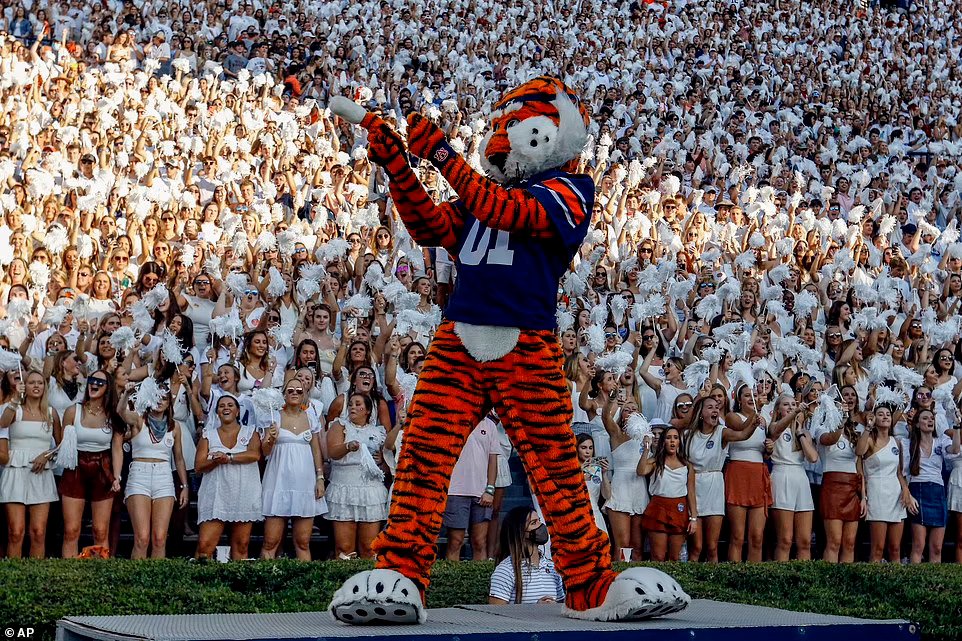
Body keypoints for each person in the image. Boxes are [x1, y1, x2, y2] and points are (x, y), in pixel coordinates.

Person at [116, 386, 189, 559]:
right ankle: (137, 584)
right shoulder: (139, 419)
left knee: (160, 538)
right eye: (155, 397)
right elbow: (121, 412)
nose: (159, 401)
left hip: (164, 476)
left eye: (163, 398)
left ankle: (156, 582)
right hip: (139, 474)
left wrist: (184, 485)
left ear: (169, 402)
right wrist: (126, 394)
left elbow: (178, 458)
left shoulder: (175, 426)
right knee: (142, 538)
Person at [58, 370, 125, 557]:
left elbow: (117, 449)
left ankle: (98, 577)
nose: (94, 384)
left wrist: (117, 476)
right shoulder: (74, 410)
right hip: (76, 467)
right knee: (71, 530)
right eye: (92, 380)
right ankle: (69, 578)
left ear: (108, 387)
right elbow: (63, 444)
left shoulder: (113, 415)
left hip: (102, 468)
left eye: (100, 382)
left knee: (100, 530)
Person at [260, 380, 327, 560]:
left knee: (303, 542)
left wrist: (320, 477)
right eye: (290, 390)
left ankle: (304, 585)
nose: (295, 392)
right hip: (278, 481)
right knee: (270, 542)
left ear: (304, 393)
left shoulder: (311, 416)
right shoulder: (274, 416)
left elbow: (316, 449)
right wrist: (270, 439)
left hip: (304, 484)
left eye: (299, 390)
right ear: (284, 394)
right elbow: (265, 451)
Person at [195, 394, 263, 560]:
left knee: (241, 545)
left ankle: (236, 584)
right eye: (222, 405)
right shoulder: (208, 435)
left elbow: (255, 455)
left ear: (238, 411)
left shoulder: (251, 432)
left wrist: (228, 457)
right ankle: (201, 584)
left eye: (230, 405)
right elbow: (199, 466)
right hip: (216, 494)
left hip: (244, 492)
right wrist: (216, 462)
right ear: (217, 412)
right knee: (205, 546)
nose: (226, 408)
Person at [0, 371, 60, 558]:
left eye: (40, 383)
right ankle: (14, 580)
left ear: (45, 386)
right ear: (24, 385)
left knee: (38, 532)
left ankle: (36, 579)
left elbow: (61, 445)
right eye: (32, 382)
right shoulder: (14, 409)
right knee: (16, 532)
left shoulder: (51, 412)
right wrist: (16, 398)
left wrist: (47, 455)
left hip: (41, 473)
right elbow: (2, 423)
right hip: (15, 471)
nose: (36, 386)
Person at [325, 392, 388, 559]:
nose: (353, 407)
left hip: (370, 491)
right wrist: (348, 447)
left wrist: (383, 459)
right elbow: (332, 452)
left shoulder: (378, 432)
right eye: (351, 404)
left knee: (369, 548)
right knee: (344, 547)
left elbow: (388, 459)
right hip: (344, 488)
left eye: (358, 404)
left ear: (367, 410)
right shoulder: (339, 425)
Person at [857, 403, 915, 563]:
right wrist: (868, 428)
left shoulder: (896, 442)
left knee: (895, 548)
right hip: (877, 493)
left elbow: (899, 472)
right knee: (877, 548)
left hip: (896, 495)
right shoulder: (869, 440)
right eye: (880, 414)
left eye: (888, 414)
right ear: (875, 418)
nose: (885, 417)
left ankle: (896, 587)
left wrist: (906, 490)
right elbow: (859, 451)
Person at [904, 408, 960, 563]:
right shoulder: (908, 443)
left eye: (931, 418)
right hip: (918, 489)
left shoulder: (941, 441)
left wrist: (956, 427)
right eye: (925, 418)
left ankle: (934, 585)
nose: (930, 421)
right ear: (916, 424)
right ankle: (915, 584)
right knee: (918, 545)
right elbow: (901, 473)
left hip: (937, 492)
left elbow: (955, 449)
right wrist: (908, 495)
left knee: (937, 547)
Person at [442, 414, 500, 561]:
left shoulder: (490, 425)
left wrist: (490, 489)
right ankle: (450, 583)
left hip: (482, 492)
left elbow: (493, 460)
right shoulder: (451, 419)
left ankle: (479, 583)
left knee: (480, 542)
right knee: (455, 541)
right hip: (455, 490)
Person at [768, 395, 819, 561]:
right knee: (785, 539)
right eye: (786, 405)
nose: (790, 407)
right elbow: (775, 430)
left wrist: (799, 433)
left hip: (800, 478)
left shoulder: (803, 433)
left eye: (793, 404)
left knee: (804, 541)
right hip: (782, 475)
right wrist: (795, 412)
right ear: (778, 409)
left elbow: (812, 457)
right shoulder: (775, 426)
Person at [638, 426, 697, 561]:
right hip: (658, 509)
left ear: (679, 442)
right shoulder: (655, 461)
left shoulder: (687, 466)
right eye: (668, 438)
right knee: (658, 556)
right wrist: (646, 449)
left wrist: (693, 518)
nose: (672, 441)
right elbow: (641, 471)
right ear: (663, 441)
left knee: (674, 557)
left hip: (679, 509)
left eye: (675, 438)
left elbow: (691, 493)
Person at [488, 507, 564, 605]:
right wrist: (535, 610)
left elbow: (562, 606)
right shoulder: (505, 570)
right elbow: (495, 615)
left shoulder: (553, 568)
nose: (541, 526)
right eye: (533, 523)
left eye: (539, 521)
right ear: (520, 532)